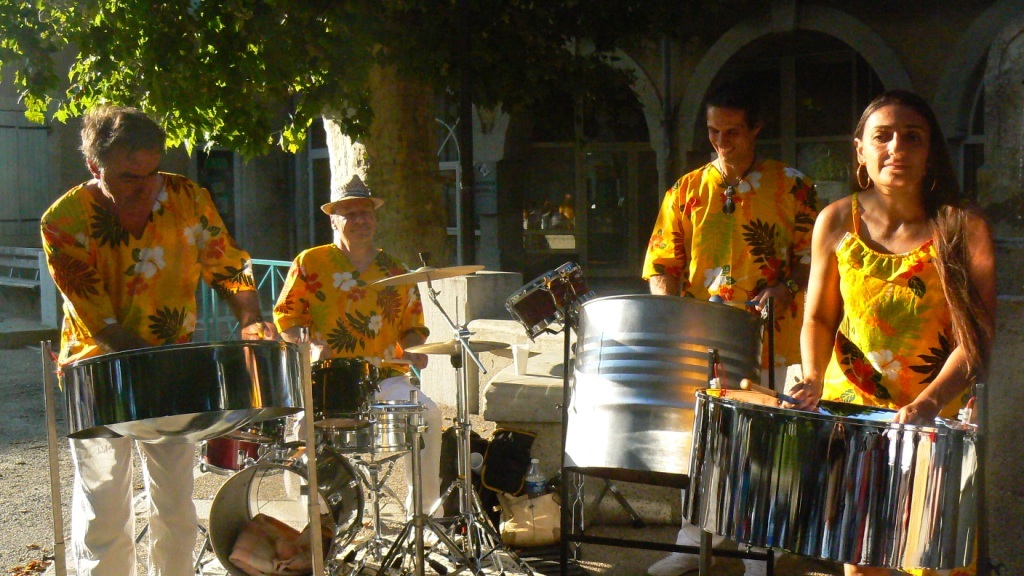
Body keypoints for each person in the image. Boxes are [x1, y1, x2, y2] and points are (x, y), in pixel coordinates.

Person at [40, 106, 277, 576]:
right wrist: (158, 369)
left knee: (175, 506)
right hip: (100, 364)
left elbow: (227, 266)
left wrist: (251, 317)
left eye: (152, 173)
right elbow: (100, 319)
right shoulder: (63, 220)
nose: (146, 187)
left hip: (170, 365)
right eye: (129, 177)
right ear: (94, 166)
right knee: (104, 508)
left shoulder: (187, 197)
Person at [787, 90, 995, 576]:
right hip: (854, 419)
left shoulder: (964, 227)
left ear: (930, 151)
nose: (896, 148)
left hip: (934, 418)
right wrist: (814, 377)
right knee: (862, 562)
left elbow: (978, 335)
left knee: (938, 563)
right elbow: (818, 317)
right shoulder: (836, 220)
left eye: (913, 137)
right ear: (860, 149)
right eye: (882, 136)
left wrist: (927, 404)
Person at [641, 80, 819, 576]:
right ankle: (693, 538)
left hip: (772, 337)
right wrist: (671, 316)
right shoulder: (686, 189)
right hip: (704, 337)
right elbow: (661, 263)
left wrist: (784, 288)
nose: (722, 141)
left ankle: (763, 546)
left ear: (757, 128)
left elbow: (815, 264)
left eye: (733, 132)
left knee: (765, 444)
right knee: (700, 440)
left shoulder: (795, 186)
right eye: (714, 131)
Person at [272, 174, 443, 518]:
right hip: (328, 377)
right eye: (350, 214)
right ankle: (319, 523)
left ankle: (424, 518)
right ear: (333, 220)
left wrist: (415, 351)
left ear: (376, 219)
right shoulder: (310, 262)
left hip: (384, 376)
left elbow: (412, 328)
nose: (360, 221)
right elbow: (287, 320)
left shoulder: (395, 269)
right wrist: (308, 343)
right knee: (302, 432)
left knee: (429, 413)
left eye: (366, 213)